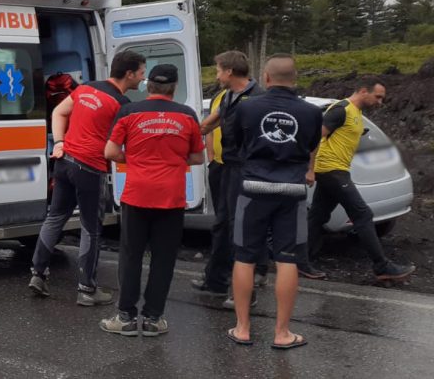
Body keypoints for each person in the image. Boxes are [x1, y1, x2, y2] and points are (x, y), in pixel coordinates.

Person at [28, 50, 146, 306]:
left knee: (55, 217)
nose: (143, 77)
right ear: (129, 74)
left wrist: (59, 142)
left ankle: (38, 274)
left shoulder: (85, 89)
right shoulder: (121, 104)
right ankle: (86, 289)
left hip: (65, 161)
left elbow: (59, 112)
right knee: (90, 229)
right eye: (141, 72)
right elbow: (116, 149)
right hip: (90, 169)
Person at [100, 64, 205, 337]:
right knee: (163, 259)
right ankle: (153, 319)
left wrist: (133, 159)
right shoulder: (187, 115)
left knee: (131, 256)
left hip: (136, 194)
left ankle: (125, 318)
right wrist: (172, 159)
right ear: (174, 86)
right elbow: (197, 157)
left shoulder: (129, 112)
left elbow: (110, 151)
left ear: (149, 85)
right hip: (171, 197)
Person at [228, 54, 322, 349]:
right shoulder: (311, 112)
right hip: (291, 191)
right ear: (295, 78)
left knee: (244, 256)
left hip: (253, 187)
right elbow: (309, 146)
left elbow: (233, 145)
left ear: (266, 78)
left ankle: (242, 328)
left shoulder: (247, 108)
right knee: (286, 259)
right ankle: (282, 333)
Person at [299, 77, 415, 281]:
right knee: (362, 215)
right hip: (330, 170)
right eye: (377, 97)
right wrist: (310, 169)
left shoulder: (356, 113)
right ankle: (382, 267)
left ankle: (301, 262)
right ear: (363, 91)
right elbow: (314, 137)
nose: (380, 102)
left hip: (337, 169)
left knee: (317, 216)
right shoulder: (340, 110)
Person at [193, 51, 267, 300]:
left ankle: (246, 291)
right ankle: (216, 280)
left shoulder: (259, 98)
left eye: (218, 70)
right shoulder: (227, 96)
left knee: (241, 228)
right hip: (226, 169)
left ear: (229, 72)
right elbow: (210, 124)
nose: (216, 75)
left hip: (247, 171)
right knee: (222, 224)